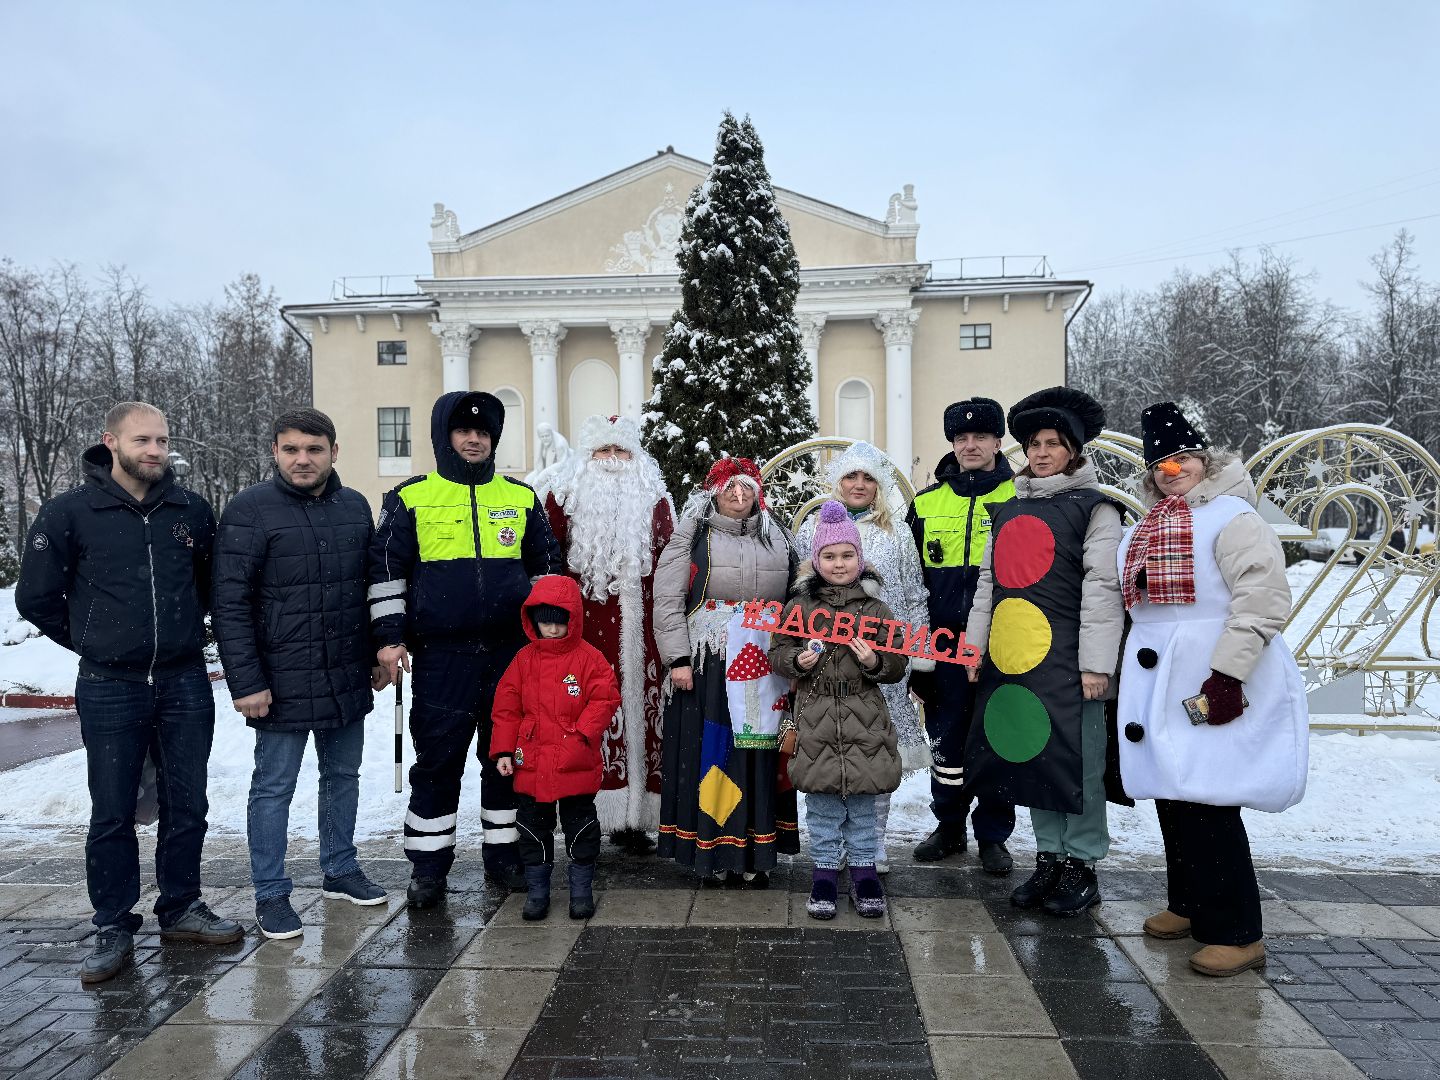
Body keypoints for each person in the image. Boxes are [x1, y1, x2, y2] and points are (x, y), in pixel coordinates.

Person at [16, 402, 242, 984]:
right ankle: (113, 924)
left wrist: (187, 632)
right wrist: (96, 640)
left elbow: (208, 587)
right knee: (112, 808)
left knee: (187, 802)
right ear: (111, 442)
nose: (155, 450)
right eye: (143, 440)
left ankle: (181, 906)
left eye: (162, 440)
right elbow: (35, 598)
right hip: (109, 684)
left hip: (183, 681)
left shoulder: (190, 509)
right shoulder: (70, 512)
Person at [1118, 402, 1308, 977]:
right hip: (1162, 679)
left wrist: (1227, 674)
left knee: (1209, 799)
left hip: (1213, 674)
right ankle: (1190, 902)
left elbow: (1261, 598)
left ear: (1205, 459)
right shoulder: (1152, 523)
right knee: (1174, 794)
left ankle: (1237, 930)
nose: (1171, 471)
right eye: (1160, 464)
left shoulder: (1233, 517)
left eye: (1182, 459)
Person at [368, 390, 563, 907]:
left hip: (511, 655)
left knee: (507, 758)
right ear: (444, 437)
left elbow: (547, 570)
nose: (473, 440)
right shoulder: (410, 497)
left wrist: (547, 633)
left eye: (483, 432)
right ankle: (429, 868)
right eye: (463, 431)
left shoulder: (521, 498)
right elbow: (386, 575)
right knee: (438, 761)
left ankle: (505, 855)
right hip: (442, 657)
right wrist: (389, 639)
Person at [212, 408, 389, 940]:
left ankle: (340, 868)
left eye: (314, 449)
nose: (302, 459)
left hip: (343, 673)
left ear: (334, 452)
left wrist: (374, 654)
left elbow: (365, 589)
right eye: (291, 449)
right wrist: (246, 682)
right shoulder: (249, 509)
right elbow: (230, 603)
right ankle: (270, 892)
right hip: (279, 679)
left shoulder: (354, 506)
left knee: (342, 777)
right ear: (275, 452)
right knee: (274, 788)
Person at [964, 387, 1124, 916]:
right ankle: (1050, 859)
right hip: (1015, 660)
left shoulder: (1096, 509)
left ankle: (1082, 864)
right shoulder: (1008, 509)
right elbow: (988, 585)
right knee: (1032, 758)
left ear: (1073, 450)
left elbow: (1103, 589)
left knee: (1078, 764)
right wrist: (974, 649)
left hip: (1070, 663)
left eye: (1053, 443)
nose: (1041, 452)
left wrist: (1097, 665)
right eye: (1034, 443)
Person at [653, 457, 800, 886]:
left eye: (747, 488)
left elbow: (799, 596)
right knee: (715, 752)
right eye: (729, 488)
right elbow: (668, 599)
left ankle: (756, 851)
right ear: (714, 491)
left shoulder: (778, 534)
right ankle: (713, 850)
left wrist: (796, 655)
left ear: (758, 493)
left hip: (766, 663)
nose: (738, 495)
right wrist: (678, 659)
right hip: (710, 664)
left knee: (760, 753)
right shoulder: (692, 534)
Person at [542, 415, 675, 855]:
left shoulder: (654, 497)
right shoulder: (563, 497)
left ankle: (635, 819)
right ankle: (585, 816)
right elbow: (548, 564)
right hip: (583, 630)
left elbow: (673, 564)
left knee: (644, 718)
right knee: (584, 717)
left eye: (622, 451)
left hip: (646, 634)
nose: (613, 460)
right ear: (588, 455)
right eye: (604, 450)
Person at [795, 441, 930, 873]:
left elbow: (913, 594)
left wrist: (918, 656)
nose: (858, 484)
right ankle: (831, 846)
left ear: (878, 485)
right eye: (850, 476)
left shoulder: (897, 532)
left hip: (880, 661)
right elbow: (798, 595)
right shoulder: (813, 528)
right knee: (830, 751)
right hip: (827, 665)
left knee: (875, 753)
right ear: (837, 483)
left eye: (867, 477)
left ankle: (872, 845)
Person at [770, 501, 906, 919]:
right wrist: (797, 661)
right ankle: (825, 874)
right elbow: (778, 652)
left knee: (863, 805)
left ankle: (864, 873)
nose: (839, 564)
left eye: (847, 555)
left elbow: (897, 663)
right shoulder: (800, 607)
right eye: (829, 556)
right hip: (816, 720)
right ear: (816, 560)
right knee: (823, 807)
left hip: (865, 718)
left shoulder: (876, 609)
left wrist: (874, 661)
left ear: (859, 559)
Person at [906, 398, 1018, 873]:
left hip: (1002, 645)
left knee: (997, 739)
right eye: (961, 438)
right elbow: (910, 587)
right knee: (946, 739)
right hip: (944, 644)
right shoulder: (925, 503)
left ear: (997, 441)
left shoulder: (1019, 496)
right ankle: (949, 826)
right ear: (952, 443)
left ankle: (993, 835)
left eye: (981, 437)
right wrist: (919, 660)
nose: (970, 445)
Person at [490, 575, 621, 921]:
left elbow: (605, 697)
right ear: (533, 620)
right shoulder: (523, 660)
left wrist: (583, 733)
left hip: (574, 758)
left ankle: (581, 890)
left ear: (572, 620)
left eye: (559, 622)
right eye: (545, 621)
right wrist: (503, 750)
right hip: (532, 760)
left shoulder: (588, 658)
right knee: (533, 828)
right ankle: (538, 891)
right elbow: (506, 708)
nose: (552, 629)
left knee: (581, 827)